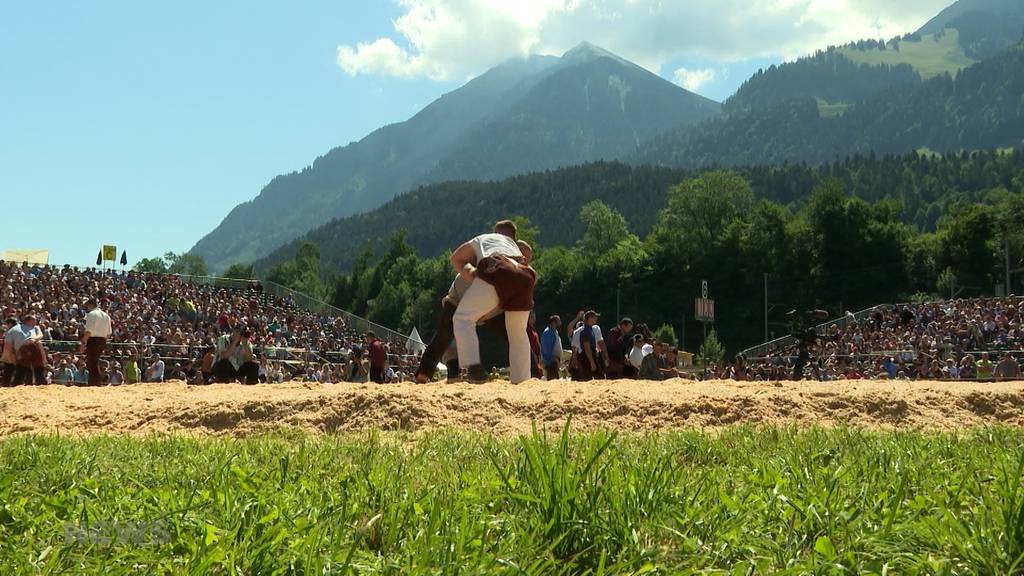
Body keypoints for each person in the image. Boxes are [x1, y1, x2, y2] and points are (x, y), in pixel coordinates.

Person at [450, 220, 536, 384]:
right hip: (526, 275)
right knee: (517, 333)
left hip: (498, 269)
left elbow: (456, 258)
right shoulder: (512, 243)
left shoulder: (481, 238)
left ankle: (472, 365)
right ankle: (522, 381)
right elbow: (526, 258)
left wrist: (472, 274)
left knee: (462, 318)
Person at [80, 298, 112, 387]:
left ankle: (95, 383)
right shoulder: (106, 316)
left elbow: (88, 331)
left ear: (90, 305)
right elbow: (109, 333)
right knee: (94, 361)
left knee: (92, 363)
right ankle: (96, 382)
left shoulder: (91, 314)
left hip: (93, 340)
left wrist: (83, 343)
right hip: (102, 340)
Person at [13, 313, 46, 384]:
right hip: (23, 347)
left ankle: (40, 382)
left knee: (38, 366)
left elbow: (40, 335)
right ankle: (21, 382)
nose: (35, 321)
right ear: (28, 321)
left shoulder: (36, 327)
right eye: (33, 320)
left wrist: (34, 339)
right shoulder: (20, 328)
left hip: (34, 346)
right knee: (23, 366)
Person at [540, 315, 563, 380]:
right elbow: (547, 348)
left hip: (555, 361)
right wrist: (553, 359)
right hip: (551, 362)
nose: (560, 323)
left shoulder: (554, 331)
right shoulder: (548, 332)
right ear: (553, 322)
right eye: (558, 321)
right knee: (553, 379)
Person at [1, 317, 18, 386]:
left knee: (8, 374)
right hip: (13, 356)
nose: (6, 326)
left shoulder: (11, 332)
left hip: (11, 356)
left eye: (7, 324)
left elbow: (12, 346)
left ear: (10, 324)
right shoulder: (17, 331)